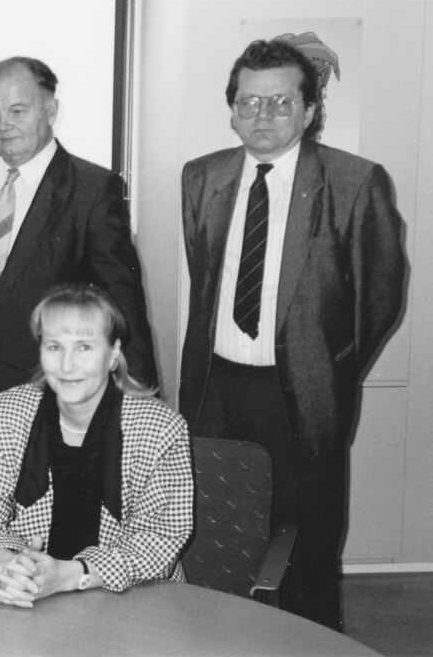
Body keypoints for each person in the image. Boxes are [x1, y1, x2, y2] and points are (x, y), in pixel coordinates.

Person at [180, 37, 405, 630]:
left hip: (302, 396)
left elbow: (380, 296)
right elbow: (207, 282)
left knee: (306, 547)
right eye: (249, 102)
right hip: (216, 393)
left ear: (308, 111)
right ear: (232, 111)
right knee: (217, 541)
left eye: (281, 102)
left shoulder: (354, 181)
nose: (263, 115)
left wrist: (327, 365)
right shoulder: (201, 177)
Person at [0, 56, 158, 474]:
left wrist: (137, 397)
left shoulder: (92, 188)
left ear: (50, 110)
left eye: (17, 110)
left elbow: (123, 301)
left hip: (44, 391)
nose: (3, 125)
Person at [0, 284, 192, 606]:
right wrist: (11, 566)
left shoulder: (160, 427)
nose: (67, 366)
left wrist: (70, 575)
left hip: (132, 598)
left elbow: (159, 540)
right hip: (29, 595)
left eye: (84, 347)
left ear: (113, 354)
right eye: (54, 347)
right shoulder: (8, 412)